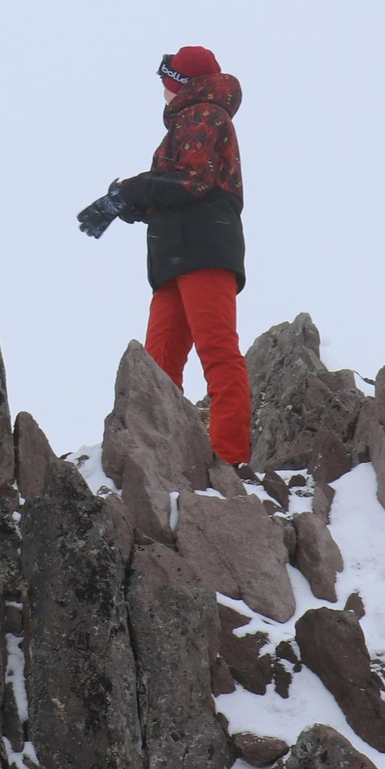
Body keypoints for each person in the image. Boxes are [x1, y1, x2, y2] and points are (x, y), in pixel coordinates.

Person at [77, 45, 250, 466]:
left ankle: (229, 459)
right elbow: (184, 186)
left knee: (215, 353)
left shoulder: (202, 114)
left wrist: (127, 194)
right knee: (158, 366)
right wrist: (135, 203)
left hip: (202, 249)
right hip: (180, 252)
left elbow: (191, 181)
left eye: (166, 79)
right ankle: (159, 460)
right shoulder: (196, 117)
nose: (163, 89)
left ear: (181, 83)